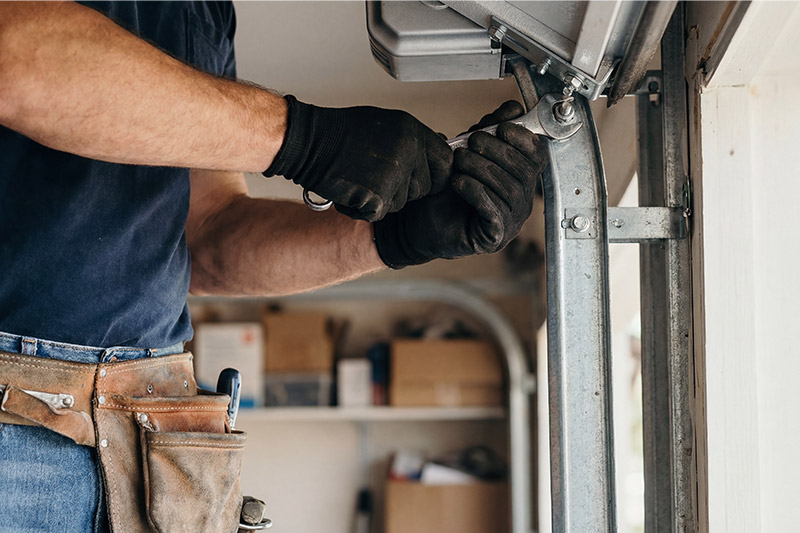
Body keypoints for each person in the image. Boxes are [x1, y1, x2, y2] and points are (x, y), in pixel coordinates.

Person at [0, 2, 546, 532]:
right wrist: (303, 139)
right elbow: (15, 56)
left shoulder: (204, 8)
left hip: (150, 442)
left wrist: (397, 235)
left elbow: (208, 237)